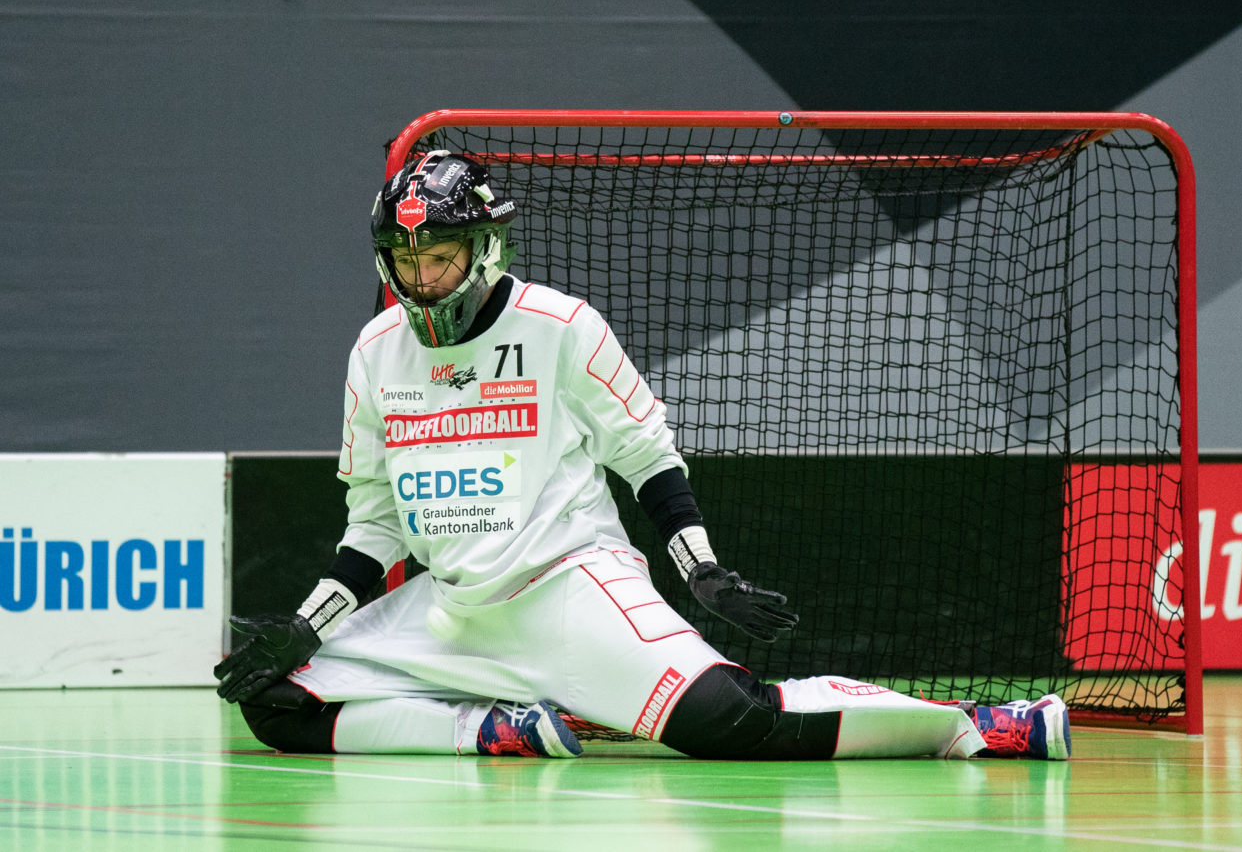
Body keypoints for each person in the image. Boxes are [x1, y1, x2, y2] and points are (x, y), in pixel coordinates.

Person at [213, 151, 1071, 762]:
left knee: (731, 717)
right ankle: (495, 729)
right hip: (453, 614)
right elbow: (375, 526)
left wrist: (701, 569)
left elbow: (645, 455)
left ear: (482, 249)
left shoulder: (561, 326)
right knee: (273, 699)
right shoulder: (375, 352)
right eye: (406, 261)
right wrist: (305, 625)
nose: (423, 279)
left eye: (439, 257)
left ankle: (972, 723)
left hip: (570, 590)